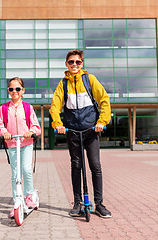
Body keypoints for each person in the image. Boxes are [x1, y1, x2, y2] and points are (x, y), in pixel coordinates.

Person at [50, 49, 112, 218]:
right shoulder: (63, 84)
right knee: (76, 166)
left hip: (91, 130)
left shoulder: (89, 79)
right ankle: (77, 202)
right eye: (71, 62)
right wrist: (58, 124)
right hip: (73, 131)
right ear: (66, 64)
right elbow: (55, 106)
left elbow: (104, 100)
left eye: (77, 62)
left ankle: (99, 204)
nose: (74, 65)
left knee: (95, 165)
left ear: (82, 64)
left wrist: (101, 122)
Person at [0, 77, 41, 218]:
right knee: (15, 174)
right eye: (11, 89)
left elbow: (36, 126)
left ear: (23, 91)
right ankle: (17, 201)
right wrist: (5, 133)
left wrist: (31, 132)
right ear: (8, 91)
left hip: (26, 144)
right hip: (12, 144)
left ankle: (29, 196)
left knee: (26, 169)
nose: (14, 91)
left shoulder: (27, 107)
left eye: (17, 89)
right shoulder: (4, 108)